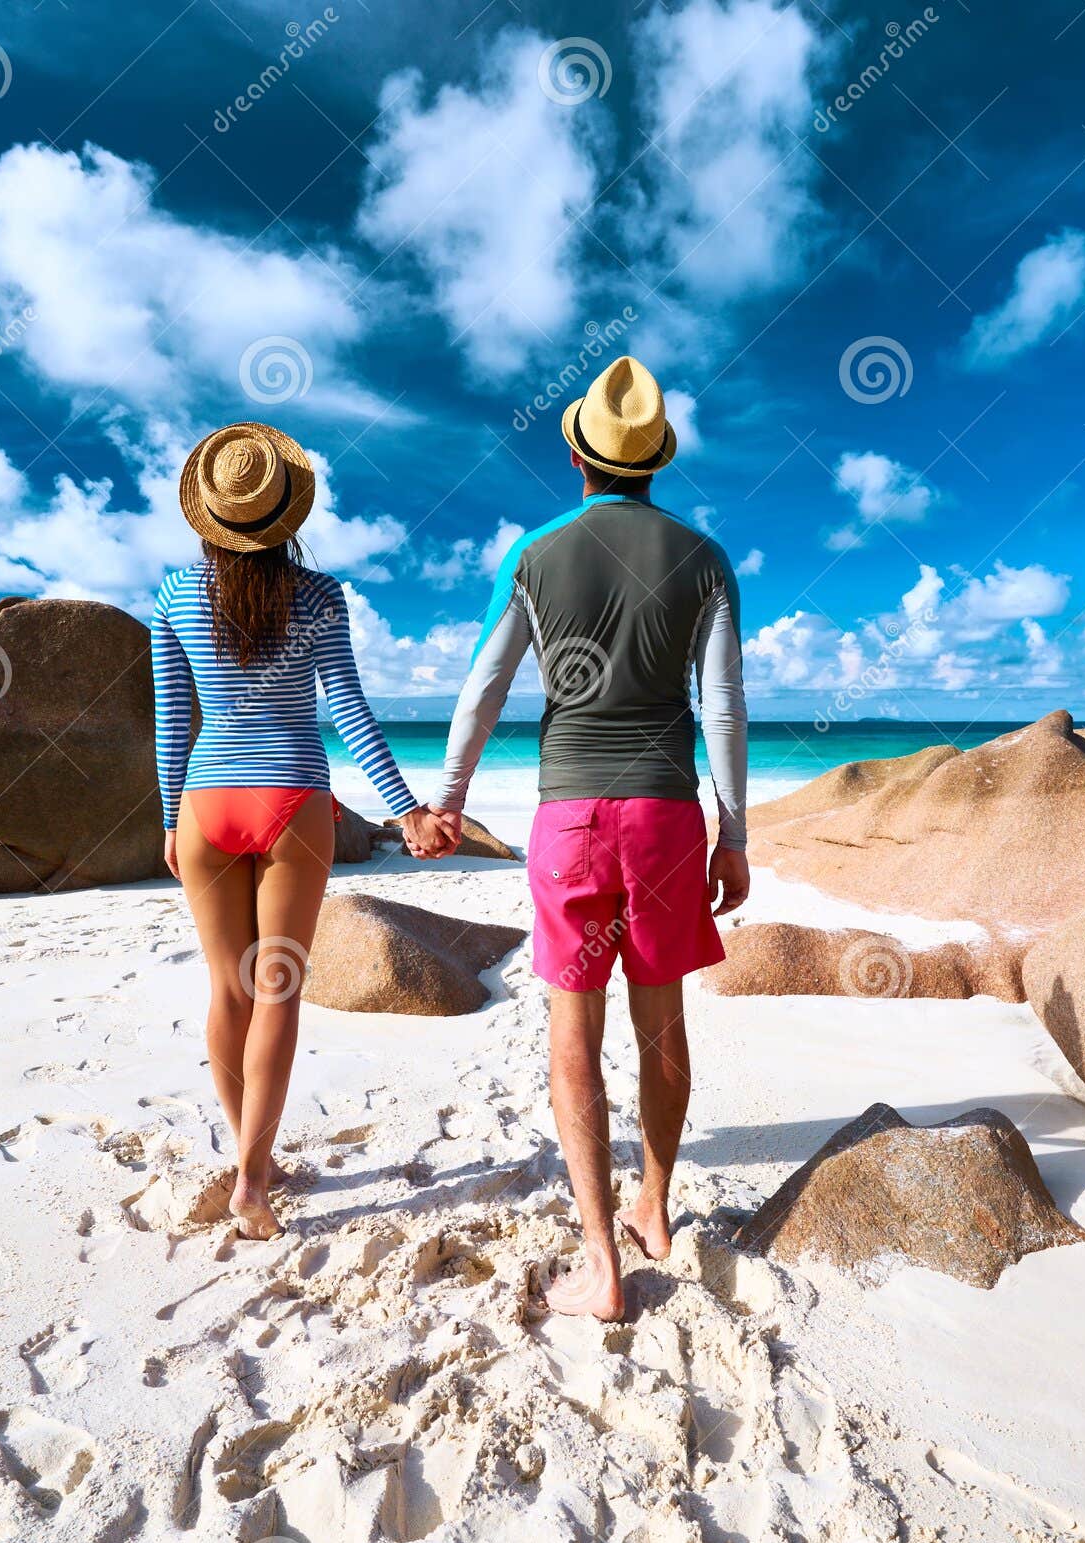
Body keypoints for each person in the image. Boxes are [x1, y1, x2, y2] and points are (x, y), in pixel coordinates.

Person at [428, 356, 750, 1320]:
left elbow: (484, 686)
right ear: (656, 461)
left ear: (577, 452)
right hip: (663, 814)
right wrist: (734, 832)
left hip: (569, 818)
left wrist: (448, 796)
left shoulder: (535, 552)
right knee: (662, 1023)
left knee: (574, 1029)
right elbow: (723, 704)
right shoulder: (705, 560)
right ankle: (655, 1203)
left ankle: (602, 1260)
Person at [151, 422, 451, 1239]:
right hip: (293, 799)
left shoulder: (174, 596)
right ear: (286, 513)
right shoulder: (320, 597)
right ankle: (253, 1175)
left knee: (227, 989)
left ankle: (254, 1158)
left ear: (208, 516)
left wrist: (171, 815)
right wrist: (407, 809)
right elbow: (348, 711)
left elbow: (172, 719)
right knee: (278, 987)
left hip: (209, 804)